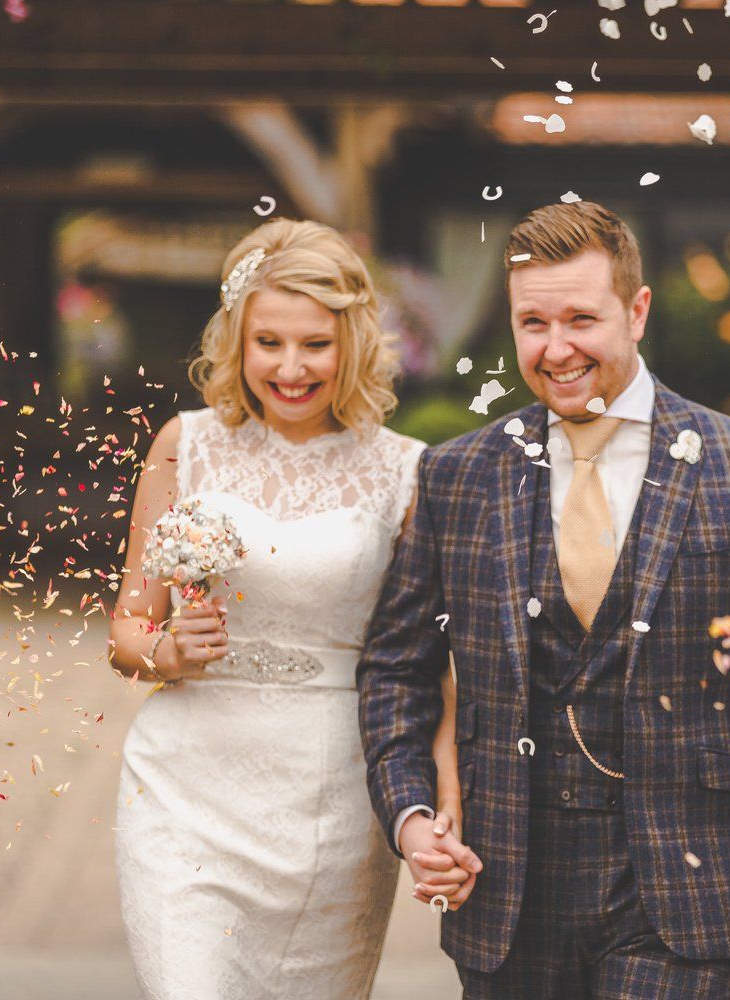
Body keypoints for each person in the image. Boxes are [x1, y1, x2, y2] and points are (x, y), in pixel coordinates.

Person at [357, 201, 730, 997]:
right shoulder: (458, 475)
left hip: (686, 883)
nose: (556, 350)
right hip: (505, 884)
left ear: (637, 310)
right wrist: (413, 817)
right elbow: (396, 669)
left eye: (581, 319)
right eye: (532, 323)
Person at [105, 218, 455, 999]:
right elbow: (127, 630)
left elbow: (426, 665)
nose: (291, 368)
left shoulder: (407, 473)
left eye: (315, 345)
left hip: (331, 806)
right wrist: (167, 652)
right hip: (185, 794)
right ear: (237, 340)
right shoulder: (184, 445)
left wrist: (439, 808)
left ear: (351, 344)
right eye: (268, 343)